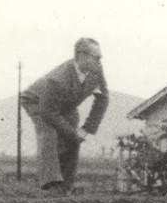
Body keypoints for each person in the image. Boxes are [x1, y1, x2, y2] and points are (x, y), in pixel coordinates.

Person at [20, 37, 109, 194]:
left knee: (73, 140)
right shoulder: (57, 79)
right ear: (81, 56)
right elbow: (48, 113)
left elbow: (103, 99)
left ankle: (66, 188)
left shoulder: (96, 70)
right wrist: (73, 134)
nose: (100, 61)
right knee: (48, 133)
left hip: (65, 106)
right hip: (37, 102)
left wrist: (87, 128)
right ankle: (50, 185)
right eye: (97, 57)